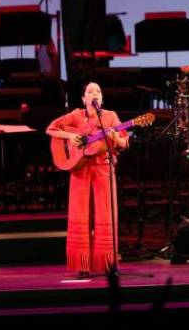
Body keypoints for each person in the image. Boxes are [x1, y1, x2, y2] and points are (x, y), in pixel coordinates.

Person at [46, 82, 129, 276]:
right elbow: (50, 129)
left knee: (106, 213)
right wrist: (70, 136)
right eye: (90, 91)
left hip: (103, 167)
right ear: (84, 99)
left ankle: (107, 263)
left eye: (98, 91)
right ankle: (82, 265)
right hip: (80, 168)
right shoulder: (75, 115)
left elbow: (124, 142)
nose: (95, 93)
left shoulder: (110, 116)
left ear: (102, 98)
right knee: (80, 214)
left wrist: (116, 138)